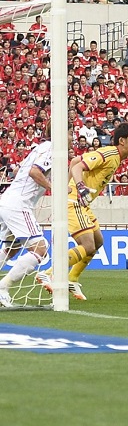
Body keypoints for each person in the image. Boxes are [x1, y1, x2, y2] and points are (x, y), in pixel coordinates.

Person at [37, 123, 128, 301]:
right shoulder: (109, 153)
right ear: (122, 141)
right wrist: (78, 187)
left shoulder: (115, 158)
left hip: (81, 203)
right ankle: (49, 273)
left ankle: (72, 278)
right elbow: (78, 167)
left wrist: (67, 186)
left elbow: (76, 161)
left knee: (98, 241)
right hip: (75, 202)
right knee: (88, 245)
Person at [0, 122, 53, 307]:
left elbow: (20, 170)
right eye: (71, 133)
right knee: (40, 248)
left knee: (11, 248)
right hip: (19, 204)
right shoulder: (51, 148)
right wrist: (53, 188)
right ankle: (3, 287)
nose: (73, 138)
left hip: (8, 200)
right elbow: (34, 171)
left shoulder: (40, 148)